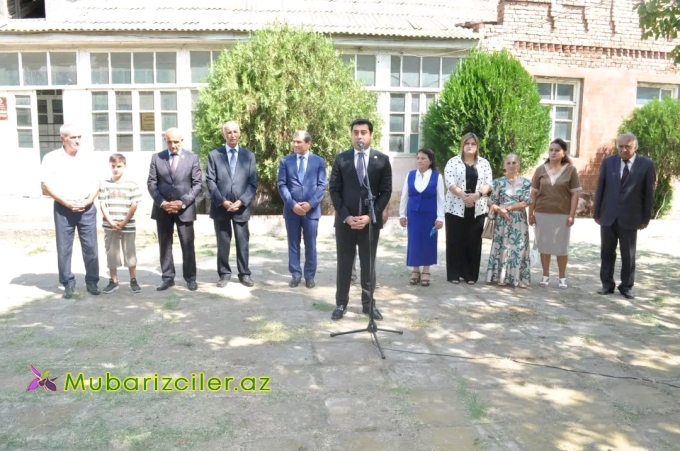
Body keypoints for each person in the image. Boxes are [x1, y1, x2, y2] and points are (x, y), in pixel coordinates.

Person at [329, 118, 392, 320]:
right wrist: (346, 217)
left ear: (370, 135)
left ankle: (368, 305)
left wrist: (370, 216)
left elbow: (386, 191)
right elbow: (334, 189)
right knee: (344, 264)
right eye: (355, 132)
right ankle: (341, 303)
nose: (359, 136)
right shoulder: (342, 159)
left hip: (369, 224)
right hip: (346, 223)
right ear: (351, 135)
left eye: (363, 132)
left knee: (368, 265)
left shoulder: (382, 160)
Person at [40, 124, 101, 298]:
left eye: (79, 137)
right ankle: (68, 283)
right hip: (63, 209)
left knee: (90, 247)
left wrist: (89, 200)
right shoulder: (51, 158)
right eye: (73, 137)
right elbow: (45, 185)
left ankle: (92, 282)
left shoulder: (89, 157)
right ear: (63, 139)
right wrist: (66, 203)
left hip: (86, 208)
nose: (77, 141)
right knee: (64, 248)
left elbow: (97, 182)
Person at [594, 132, 656, 299]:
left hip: (631, 217)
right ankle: (607, 285)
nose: (623, 150)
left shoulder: (646, 165)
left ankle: (626, 286)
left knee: (628, 254)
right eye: (620, 146)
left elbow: (649, 194)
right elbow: (601, 188)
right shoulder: (608, 162)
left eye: (627, 147)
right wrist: (597, 212)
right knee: (607, 252)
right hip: (608, 215)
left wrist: (646, 218)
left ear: (635, 147)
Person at [147, 128, 203, 291]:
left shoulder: (192, 158)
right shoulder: (157, 158)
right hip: (163, 210)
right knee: (165, 245)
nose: (173, 145)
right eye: (169, 142)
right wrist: (162, 203)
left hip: (184, 210)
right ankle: (167, 277)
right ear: (165, 140)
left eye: (176, 142)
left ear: (182, 141)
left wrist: (182, 202)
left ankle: (190, 278)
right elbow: (151, 183)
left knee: (187, 244)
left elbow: (197, 184)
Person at [206, 121, 258, 288]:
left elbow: (252, 183)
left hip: (241, 207)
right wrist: (222, 201)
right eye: (229, 132)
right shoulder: (214, 155)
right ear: (224, 135)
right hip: (221, 207)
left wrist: (242, 201)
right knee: (223, 242)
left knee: (243, 242)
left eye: (235, 132)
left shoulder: (248, 156)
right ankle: (224, 274)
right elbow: (210, 181)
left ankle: (244, 274)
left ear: (239, 133)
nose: (232, 135)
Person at [277, 130, 327, 288]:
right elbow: (282, 185)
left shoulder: (318, 161)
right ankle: (295, 275)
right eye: (294, 141)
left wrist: (310, 204)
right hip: (292, 211)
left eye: (298, 142)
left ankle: (310, 276)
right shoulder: (286, 161)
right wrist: (292, 204)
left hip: (311, 211)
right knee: (293, 243)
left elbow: (322, 185)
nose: (295, 144)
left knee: (311, 244)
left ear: (308, 143)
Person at [528, 138, 581, 289]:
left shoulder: (571, 170)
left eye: (557, 150)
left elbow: (575, 194)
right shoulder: (540, 170)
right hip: (542, 213)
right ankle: (545, 275)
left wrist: (572, 215)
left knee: (561, 247)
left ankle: (562, 277)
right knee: (544, 246)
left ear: (564, 153)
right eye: (551, 150)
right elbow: (533, 194)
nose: (553, 152)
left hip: (562, 214)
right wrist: (530, 213)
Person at [444, 132, 493, 285]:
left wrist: (476, 195)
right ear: (462, 145)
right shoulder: (453, 162)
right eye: (467, 143)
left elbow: (489, 183)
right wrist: (464, 196)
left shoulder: (484, 163)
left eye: (473, 144)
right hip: (455, 207)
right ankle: (454, 273)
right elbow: (450, 183)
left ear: (477, 146)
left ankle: (470, 274)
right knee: (454, 240)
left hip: (478, 207)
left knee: (473, 241)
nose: (470, 146)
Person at [399, 148, 445, 287]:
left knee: (428, 242)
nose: (419, 161)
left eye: (423, 158)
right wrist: (402, 214)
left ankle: (426, 270)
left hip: (430, 215)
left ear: (430, 161)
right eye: (418, 158)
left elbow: (441, 199)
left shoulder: (437, 176)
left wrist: (440, 217)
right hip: (413, 214)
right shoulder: (410, 175)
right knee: (414, 241)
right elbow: (405, 195)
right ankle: (415, 270)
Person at [486, 153, 532, 288]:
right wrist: (500, 210)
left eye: (514, 163)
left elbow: (526, 202)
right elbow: (491, 202)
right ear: (504, 165)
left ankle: (519, 278)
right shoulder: (498, 182)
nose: (511, 165)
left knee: (519, 248)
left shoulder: (526, 182)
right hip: (502, 220)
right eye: (508, 163)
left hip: (518, 220)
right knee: (503, 247)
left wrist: (508, 208)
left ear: (519, 164)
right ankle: (500, 277)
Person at [99, 153, 143, 294]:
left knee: (129, 251)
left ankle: (133, 280)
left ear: (124, 166)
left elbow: (134, 204)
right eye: (113, 166)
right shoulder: (105, 184)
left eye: (119, 166)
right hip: (110, 225)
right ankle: (113, 281)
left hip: (127, 225)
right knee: (111, 252)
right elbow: (102, 204)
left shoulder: (131, 184)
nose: (116, 169)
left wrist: (123, 222)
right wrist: (111, 222)